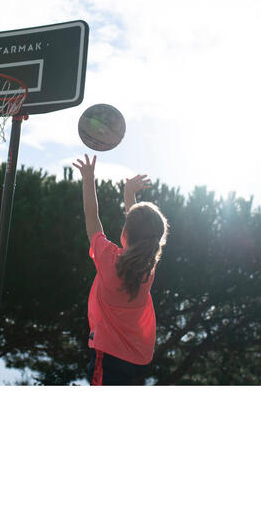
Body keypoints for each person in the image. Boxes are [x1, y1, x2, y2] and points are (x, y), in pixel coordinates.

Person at [72, 153, 169, 385]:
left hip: (108, 359)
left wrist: (88, 178)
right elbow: (138, 229)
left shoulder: (109, 260)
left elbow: (91, 216)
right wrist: (129, 195)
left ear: (125, 233)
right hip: (134, 361)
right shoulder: (148, 269)